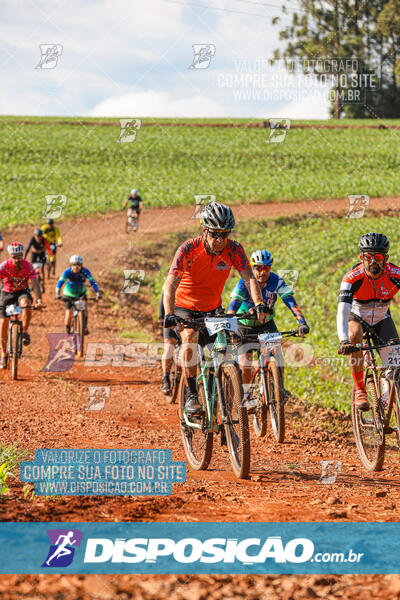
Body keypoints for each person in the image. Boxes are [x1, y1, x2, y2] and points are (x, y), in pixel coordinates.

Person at [163, 201, 266, 415]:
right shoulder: (188, 249)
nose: (220, 240)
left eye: (224, 234)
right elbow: (170, 284)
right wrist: (170, 314)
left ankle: (228, 396)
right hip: (185, 307)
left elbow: (249, 278)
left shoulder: (234, 250)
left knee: (225, 350)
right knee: (190, 337)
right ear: (204, 230)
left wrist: (258, 304)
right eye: (214, 234)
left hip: (212, 309)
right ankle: (192, 396)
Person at [228, 249, 309, 412]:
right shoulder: (244, 282)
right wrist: (229, 327)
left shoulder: (276, 280)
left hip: (266, 325)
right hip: (245, 326)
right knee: (245, 364)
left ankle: (280, 389)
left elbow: (291, 302)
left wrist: (301, 322)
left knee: (277, 353)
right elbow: (232, 307)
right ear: (252, 268)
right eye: (258, 268)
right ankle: (246, 396)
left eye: (266, 268)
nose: (262, 272)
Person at [337, 232, 400, 410]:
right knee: (354, 334)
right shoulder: (351, 278)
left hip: (381, 319)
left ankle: (385, 404)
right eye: (367, 256)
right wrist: (344, 340)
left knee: (396, 368)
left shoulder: (395, 274)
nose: (372, 261)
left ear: (385, 258)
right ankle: (360, 390)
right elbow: (342, 312)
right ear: (361, 257)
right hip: (357, 317)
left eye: (377, 256)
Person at [0, 242, 43, 367]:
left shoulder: (28, 266)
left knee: (26, 304)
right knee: (3, 324)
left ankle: (24, 331)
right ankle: (3, 355)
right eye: (14, 256)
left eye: (19, 256)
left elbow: (35, 283)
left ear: (22, 255)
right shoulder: (4, 266)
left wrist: (39, 300)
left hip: (22, 292)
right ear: (9, 255)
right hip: (6, 293)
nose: (17, 259)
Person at [56, 255, 101, 335]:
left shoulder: (85, 271)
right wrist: (58, 293)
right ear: (71, 265)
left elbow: (92, 282)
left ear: (81, 265)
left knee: (84, 307)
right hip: (69, 294)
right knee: (69, 312)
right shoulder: (67, 272)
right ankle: (67, 331)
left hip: (81, 294)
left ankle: (84, 326)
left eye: (78, 265)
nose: (76, 267)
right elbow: (60, 283)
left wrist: (97, 292)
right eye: (74, 265)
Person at [159, 286, 182, 395]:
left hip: (186, 320)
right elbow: (163, 297)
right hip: (171, 319)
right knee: (169, 346)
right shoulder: (173, 278)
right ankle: (166, 378)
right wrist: (161, 317)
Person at [24, 228, 53, 293]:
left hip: (42, 255)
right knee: (32, 270)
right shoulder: (32, 239)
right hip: (34, 255)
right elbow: (28, 249)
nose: (39, 238)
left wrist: (51, 258)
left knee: (42, 270)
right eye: (38, 236)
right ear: (35, 236)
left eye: (40, 236)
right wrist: (24, 257)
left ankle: (42, 285)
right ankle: (32, 284)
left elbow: (49, 248)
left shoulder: (44, 240)